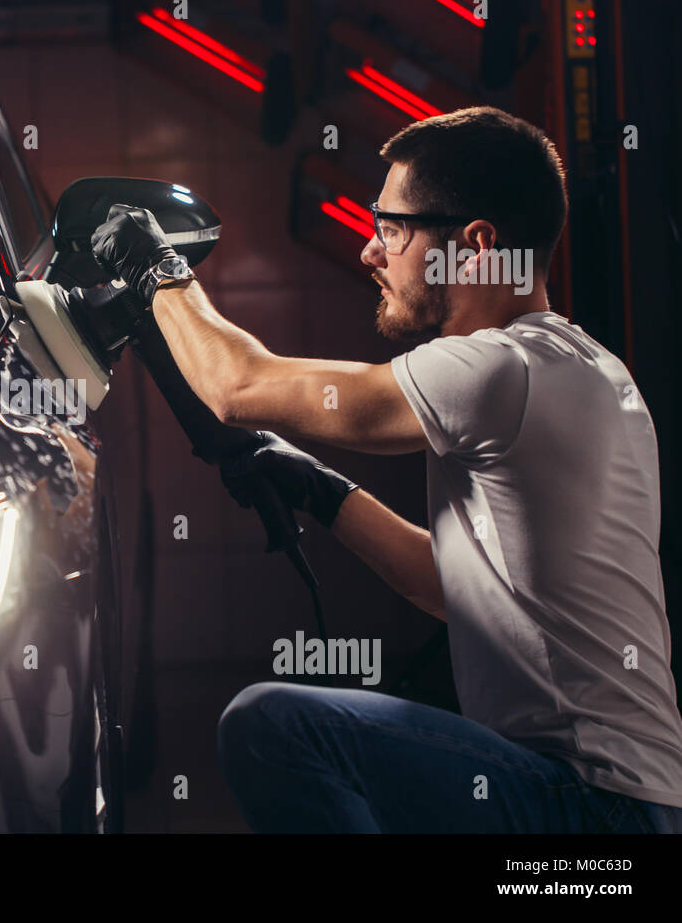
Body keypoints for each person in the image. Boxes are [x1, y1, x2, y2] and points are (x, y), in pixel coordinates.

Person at [89, 106, 682, 832]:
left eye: (393, 229)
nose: (371, 252)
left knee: (275, 725)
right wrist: (320, 488)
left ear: (475, 246)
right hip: (626, 812)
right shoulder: (587, 368)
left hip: (585, 813)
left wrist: (157, 268)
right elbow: (452, 588)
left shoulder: (498, 368)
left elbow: (238, 388)